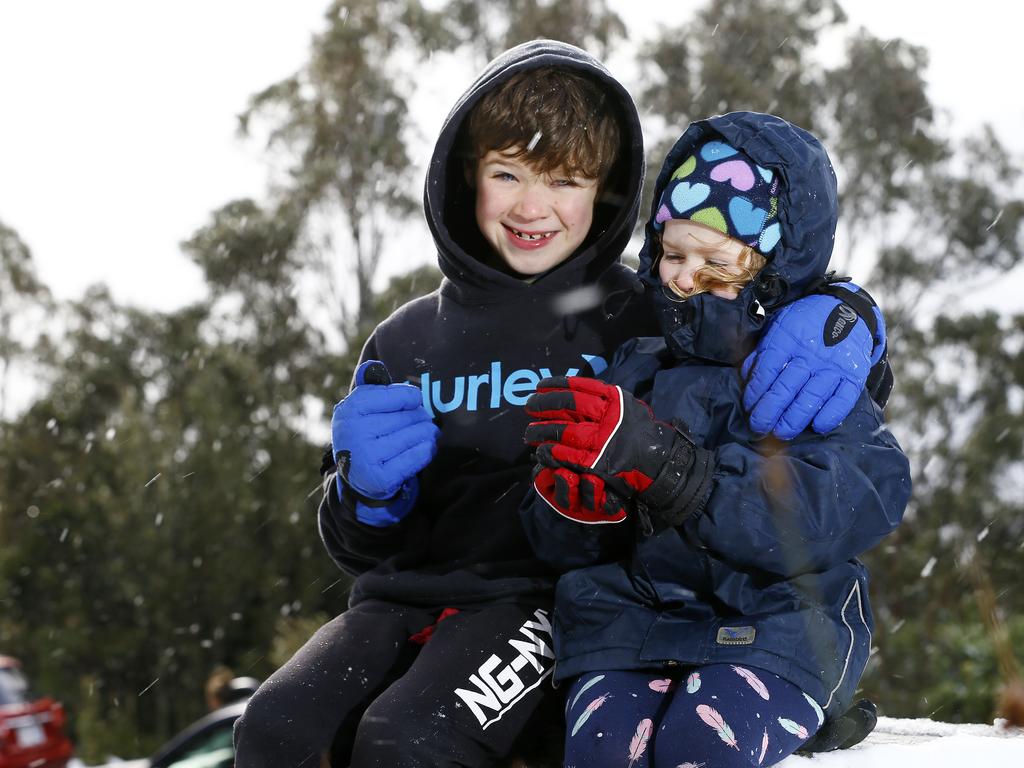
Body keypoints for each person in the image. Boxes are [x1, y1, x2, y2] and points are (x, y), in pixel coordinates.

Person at [233, 41, 887, 767]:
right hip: (395, 604)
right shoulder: (405, 336)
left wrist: (847, 315)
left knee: (406, 741)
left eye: (565, 180)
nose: (531, 206)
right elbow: (357, 546)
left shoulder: (641, 309)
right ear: (463, 177)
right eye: (506, 173)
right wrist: (364, 496)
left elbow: (771, 351)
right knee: (273, 728)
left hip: (551, 599)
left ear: (604, 192)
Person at [519, 112, 911, 768]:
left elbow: (854, 497)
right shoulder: (635, 363)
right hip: (632, 627)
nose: (681, 278)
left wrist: (682, 474)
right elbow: (563, 543)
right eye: (673, 253)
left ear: (771, 271)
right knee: (603, 749)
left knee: (697, 744)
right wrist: (576, 510)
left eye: (716, 262)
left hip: (774, 630)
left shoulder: (805, 371)